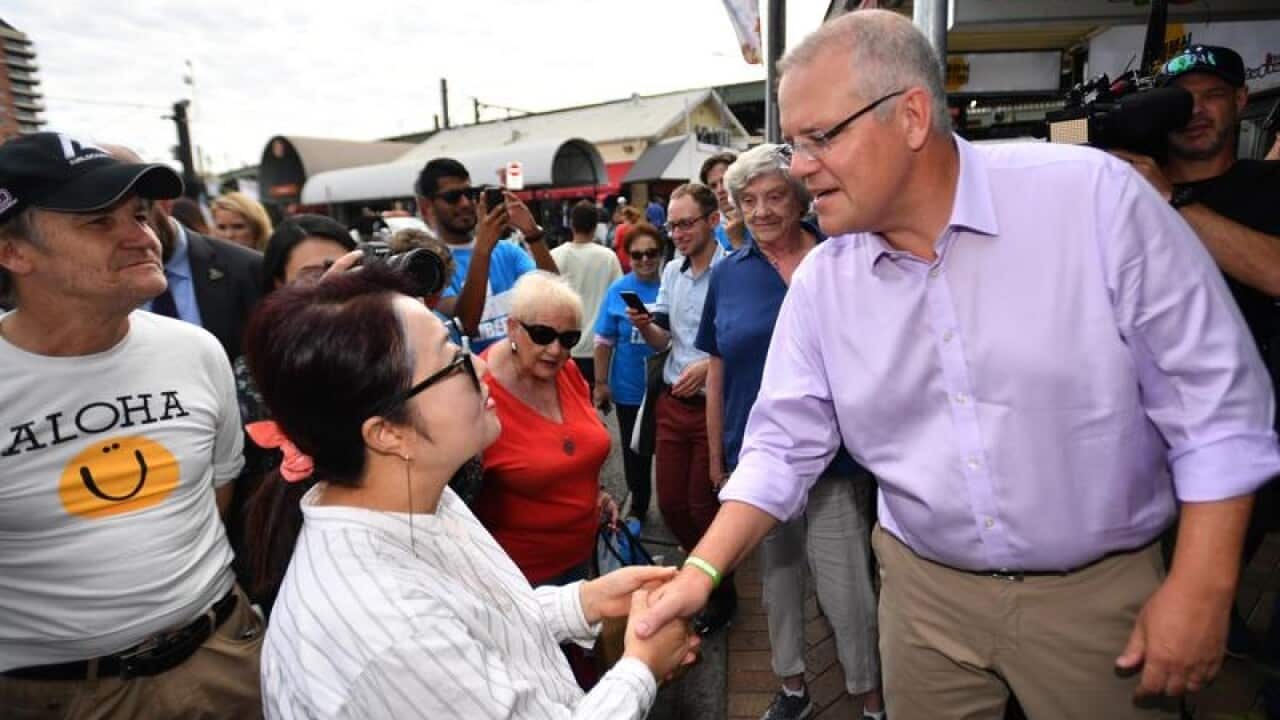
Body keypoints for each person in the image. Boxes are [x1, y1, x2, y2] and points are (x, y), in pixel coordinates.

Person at [637, 11, 1280, 719]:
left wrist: (1203, 584)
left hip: (1096, 599)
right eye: (793, 143)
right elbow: (782, 444)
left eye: (820, 137)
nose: (798, 168)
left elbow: (1217, 404)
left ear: (911, 115)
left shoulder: (1093, 201)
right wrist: (701, 571)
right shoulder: (825, 281)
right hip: (920, 600)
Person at [245, 267, 698, 718]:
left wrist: (585, 601)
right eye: (453, 361)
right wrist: (642, 667)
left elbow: (483, 619)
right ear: (388, 433)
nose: (481, 364)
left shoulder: (422, 496)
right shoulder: (387, 630)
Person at [0, 132, 261, 717]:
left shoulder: (196, 351)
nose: (141, 235)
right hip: (59, 697)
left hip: (227, 660)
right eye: (98, 221)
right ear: (14, 251)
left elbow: (212, 497)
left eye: (139, 215)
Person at [1113, 43, 1280, 712]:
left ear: (1242, 103)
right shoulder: (1121, 189)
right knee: (1161, 594)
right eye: (1181, 99)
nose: (1195, 110)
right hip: (1158, 438)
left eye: (1211, 95)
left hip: (1260, 424)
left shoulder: (1268, 187)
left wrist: (1173, 199)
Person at [698, 144, 883, 720]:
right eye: (747, 200)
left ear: (799, 197)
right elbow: (718, 367)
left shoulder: (840, 258)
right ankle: (795, 689)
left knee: (848, 589)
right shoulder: (729, 273)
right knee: (777, 587)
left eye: (774, 196)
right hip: (759, 459)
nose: (761, 210)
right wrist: (715, 456)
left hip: (835, 461)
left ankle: (871, 698)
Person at [230, 214, 358, 609]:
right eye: (312, 275)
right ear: (277, 285)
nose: (331, 284)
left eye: (343, 270)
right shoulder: (255, 373)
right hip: (295, 576)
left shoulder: (395, 358)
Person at [628, 183, 734, 635]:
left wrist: (708, 371)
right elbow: (666, 339)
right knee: (670, 505)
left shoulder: (734, 272)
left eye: (685, 223)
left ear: (713, 221)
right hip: (672, 401)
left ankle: (718, 589)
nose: (677, 234)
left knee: (702, 505)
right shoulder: (672, 270)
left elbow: (745, 344)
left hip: (714, 409)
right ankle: (709, 576)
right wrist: (646, 325)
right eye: (672, 225)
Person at [473, 271, 619, 586]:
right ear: (512, 327)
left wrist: (597, 493)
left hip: (582, 557)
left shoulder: (564, 370)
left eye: (568, 339)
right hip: (521, 578)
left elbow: (577, 443)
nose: (555, 350)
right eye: (542, 334)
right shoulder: (478, 394)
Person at [105, 146, 264, 364]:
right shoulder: (89, 281)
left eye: (139, 217)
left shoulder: (247, 269)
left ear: (165, 204)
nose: (130, 238)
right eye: (102, 223)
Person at [415, 157, 557, 352]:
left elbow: (555, 294)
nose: (465, 203)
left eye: (469, 193)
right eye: (452, 197)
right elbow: (465, 324)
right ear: (426, 207)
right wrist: (483, 248)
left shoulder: (508, 252)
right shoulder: (431, 266)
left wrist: (532, 234)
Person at [593, 222, 665, 527]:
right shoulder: (619, 290)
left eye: (651, 253)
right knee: (635, 454)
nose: (645, 260)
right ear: (628, 257)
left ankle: (673, 508)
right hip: (629, 387)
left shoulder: (671, 284)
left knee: (670, 454)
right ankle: (638, 505)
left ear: (661, 254)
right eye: (637, 255)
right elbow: (603, 341)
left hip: (667, 387)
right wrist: (600, 383)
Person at [552, 200, 624, 386]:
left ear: (571, 224)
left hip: (565, 345)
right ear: (595, 225)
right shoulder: (608, 257)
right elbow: (619, 298)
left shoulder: (555, 256)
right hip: (600, 346)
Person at [700, 152, 750, 251]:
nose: (720, 190)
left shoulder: (762, 217)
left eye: (724, 180)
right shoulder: (707, 230)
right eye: (713, 186)